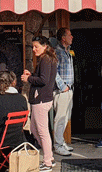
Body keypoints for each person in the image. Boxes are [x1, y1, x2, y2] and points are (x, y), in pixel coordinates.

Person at [21, 36, 57, 172]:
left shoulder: (46, 59)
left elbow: (43, 80)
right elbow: (43, 77)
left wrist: (29, 78)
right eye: (33, 46)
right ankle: (49, 157)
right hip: (41, 99)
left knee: (41, 131)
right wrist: (32, 75)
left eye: (36, 46)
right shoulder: (47, 59)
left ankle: (48, 161)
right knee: (36, 130)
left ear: (45, 46)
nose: (34, 49)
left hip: (41, 99)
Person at [53, 28, 75, 156]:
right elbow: (54, 71)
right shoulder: (57, 52)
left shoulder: (67, 51)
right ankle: (58, 145)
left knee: (66, 117)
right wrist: (62, 86)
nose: (72, 37)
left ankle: (60, 141)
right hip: (62, 91)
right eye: (69, 35)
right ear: (63, 38)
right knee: (60, 118)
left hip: (69, 89)